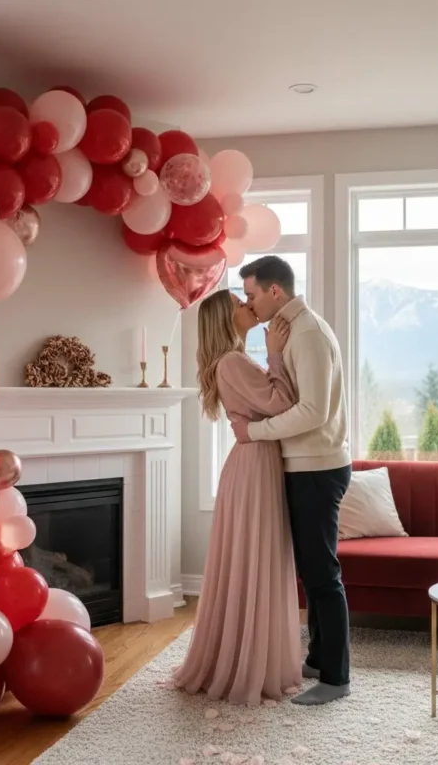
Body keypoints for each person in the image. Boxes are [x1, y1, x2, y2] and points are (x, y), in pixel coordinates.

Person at [231, 255, 352, 707]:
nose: (250, 304)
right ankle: (320, 659)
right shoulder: (292, 332)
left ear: (274, 291)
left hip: (317, 467)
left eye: (251, 295)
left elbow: (312, 411)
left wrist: (254, 432)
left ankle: (337, 677)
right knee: (312, 571)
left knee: (322, 574)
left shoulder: (309, 334)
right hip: (307, 465)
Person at [173, 289, 302, 706]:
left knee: (257, 559)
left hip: (255, 462)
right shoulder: (233, 362)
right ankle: (247, 664)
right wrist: (277, 354)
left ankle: (254, 658)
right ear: (225, 321)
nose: (248, 306)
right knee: (257, 558)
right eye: (238, 305)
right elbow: (282, 403)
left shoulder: (235, 361)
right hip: (254, 466)